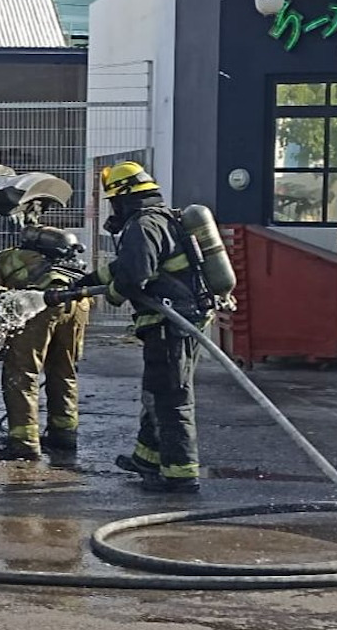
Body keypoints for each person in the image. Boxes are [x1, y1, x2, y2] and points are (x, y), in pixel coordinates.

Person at [78, 161, 213, 493]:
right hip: (171, 321)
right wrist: (84, 283)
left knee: (171, 397)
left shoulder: (145, 224)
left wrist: (111, 292)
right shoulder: (160, 220)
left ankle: (180, 475)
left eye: (113, 200)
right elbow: (123, 268)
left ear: (125, 197)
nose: (113, 208)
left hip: (170, 322)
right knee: (156, 392)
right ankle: (149, 459)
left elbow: (134, 276)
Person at [0, 224, 90, 460]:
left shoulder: (12, 257)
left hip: (40, 310)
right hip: (79, 305)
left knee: (22, 374)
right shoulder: (71, 263)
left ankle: (23, 442)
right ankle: (64, 435)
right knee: (64, 371)